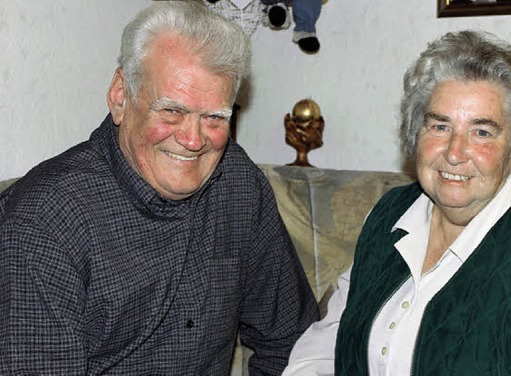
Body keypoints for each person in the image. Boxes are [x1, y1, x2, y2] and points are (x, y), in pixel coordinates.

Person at [0, 2, 318, 374]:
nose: (194, 139)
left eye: (214, 117)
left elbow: (292, 342)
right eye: (172, 111)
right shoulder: (45, 222)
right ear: (121, 96)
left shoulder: (238, 183)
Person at [283, 30, 511, 375]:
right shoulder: (389, 217)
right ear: (415, 134)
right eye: (440, 126)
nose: (455, 152)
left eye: (482, 132)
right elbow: (325, 346)